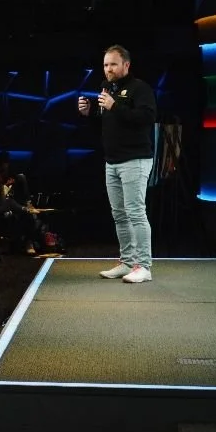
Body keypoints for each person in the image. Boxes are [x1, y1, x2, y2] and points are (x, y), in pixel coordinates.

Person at [77, 44, 157, 284]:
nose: (108, 69)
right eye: (105, 65)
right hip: (112, 162)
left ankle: (143, 266)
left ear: (126, 65)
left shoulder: (139, 88)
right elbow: (107, 123)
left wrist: (115, 106)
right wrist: (90, 113)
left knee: (135, 213)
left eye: (113, 64)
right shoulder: (105, 88)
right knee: (119, 215)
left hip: (135, 160)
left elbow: (146, 118)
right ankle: (127, 262)